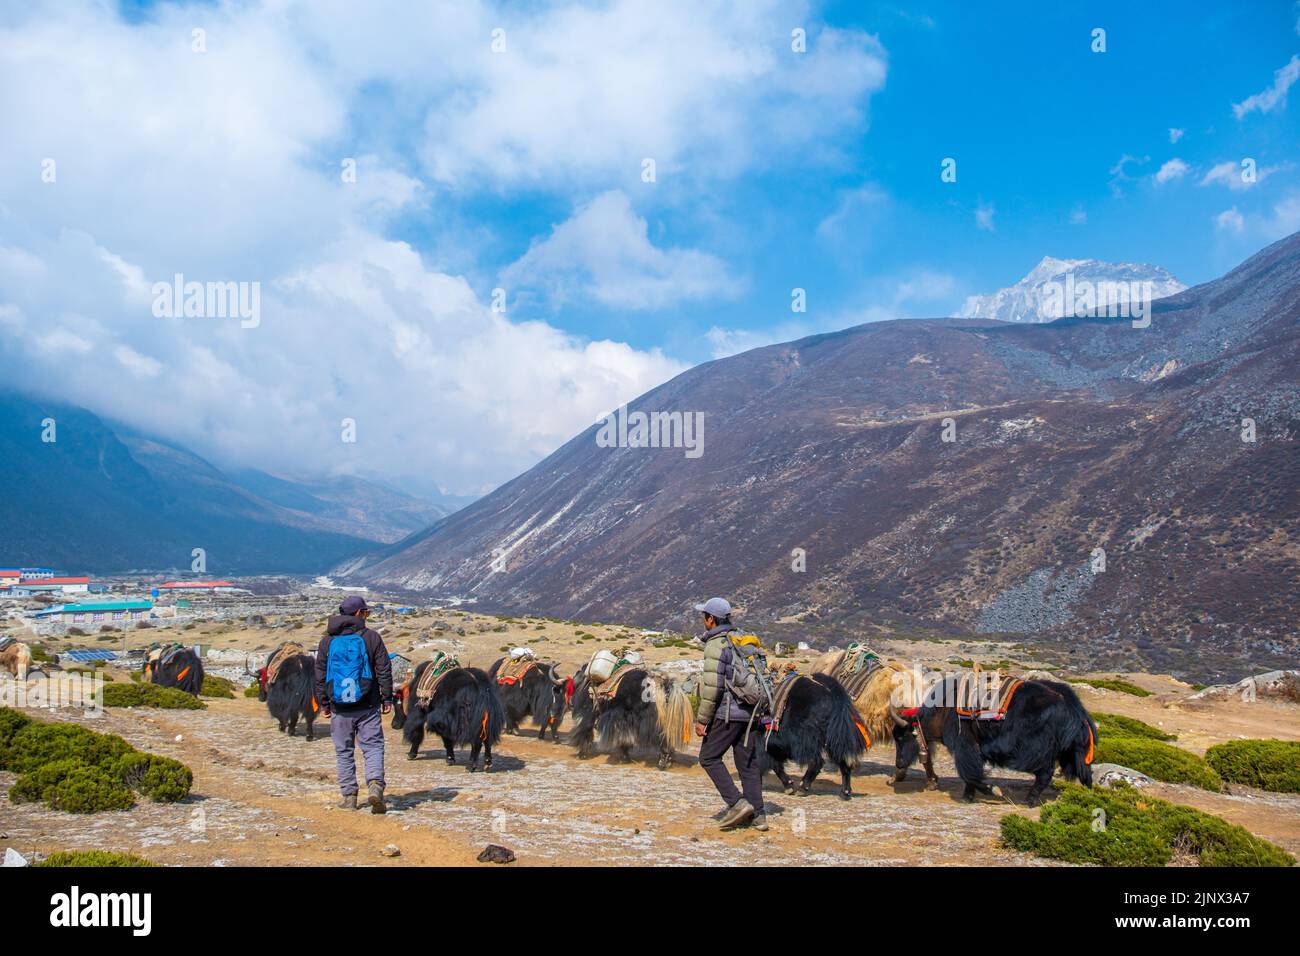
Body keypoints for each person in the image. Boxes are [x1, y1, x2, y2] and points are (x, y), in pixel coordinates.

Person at [693, 597, 767, 832]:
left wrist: (702, 719)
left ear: (711, 619)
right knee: (748, 764)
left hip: (728, 714)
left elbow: (712, 687)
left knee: (708, 757)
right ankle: (759, 815)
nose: (702, 620)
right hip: (752, 714)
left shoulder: (717, 644)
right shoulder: (742, 640)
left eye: (704, 616)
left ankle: (737, 804)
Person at [316, 595, 393, 813]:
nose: (367, 616)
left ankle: (349, 797)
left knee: (344, 752)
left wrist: (324, 703)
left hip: (339, 707)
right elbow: (384, 669)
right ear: (359, 614)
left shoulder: (327, 641)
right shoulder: (372, 638)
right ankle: (375, 786)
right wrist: (386, 697)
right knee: (373, 747)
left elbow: (320, 674)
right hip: (368, 705)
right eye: (366, 612)